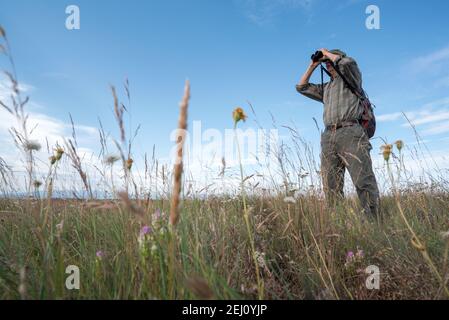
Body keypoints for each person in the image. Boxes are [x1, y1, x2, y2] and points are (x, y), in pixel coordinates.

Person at [296, 48, 380, 218]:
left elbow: (347, 63)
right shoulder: (327, 88)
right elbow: (301, 87)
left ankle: (374, 222)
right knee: (330, 183)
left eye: (330, 62)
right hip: (329, 136)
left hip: (351, 132)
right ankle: (338, 222)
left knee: (363, 179)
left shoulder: (352, 79)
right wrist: (313, 65)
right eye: (326, 64)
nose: (329, 65)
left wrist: (327, 53)